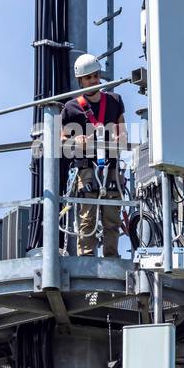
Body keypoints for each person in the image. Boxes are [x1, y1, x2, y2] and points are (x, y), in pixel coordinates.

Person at [61, 53, 127, 257]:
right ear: (81, 81)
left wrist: (119, 137)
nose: (93, 81)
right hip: (87, 168)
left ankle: (111, 259)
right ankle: (87, 258)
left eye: (96, 76)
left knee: (111, 218)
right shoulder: (71, 108)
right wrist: (75, 141)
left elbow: (122, 130)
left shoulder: (114, 101)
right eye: (88, 78)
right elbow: (61, 139)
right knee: (87, 217)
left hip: (111, 167)